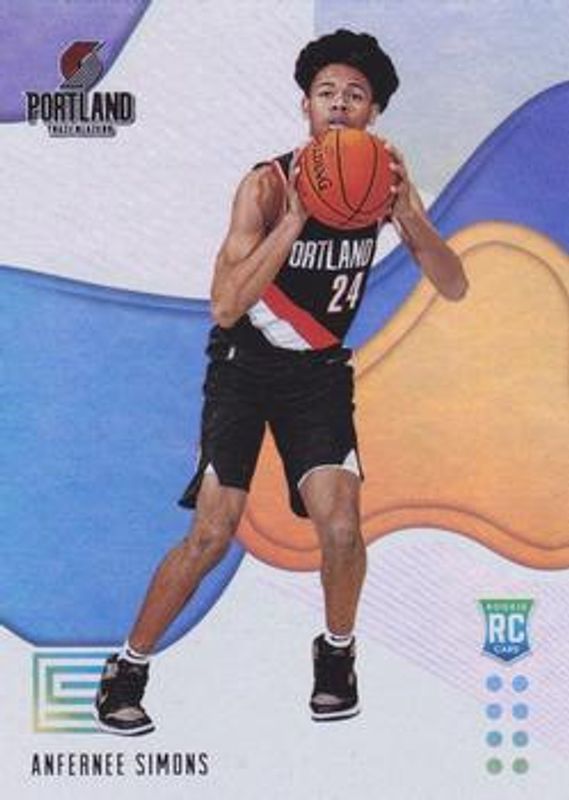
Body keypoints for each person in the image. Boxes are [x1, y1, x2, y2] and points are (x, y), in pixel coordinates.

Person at [95, 28, 468, 735]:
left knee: (342, 526)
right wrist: (293, 221)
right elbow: (225, 305)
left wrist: (409, 216)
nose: (339, 104)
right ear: (305, 106)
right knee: (212, 533)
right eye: (326, 93)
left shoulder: (382, 185)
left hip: (317, 373)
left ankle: (337, 653)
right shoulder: (267, 184)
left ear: (373, 113)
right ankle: (128, 666)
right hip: (244, 366)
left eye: (354, 95)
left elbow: (453, 285)